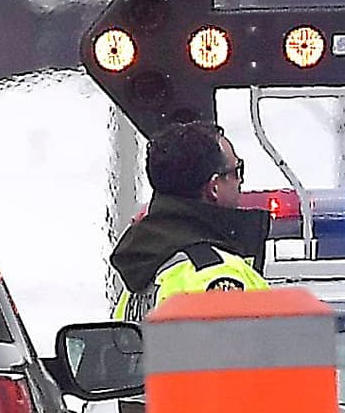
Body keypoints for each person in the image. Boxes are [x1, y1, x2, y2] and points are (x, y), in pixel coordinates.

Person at [105, 123, 272, 312]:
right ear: (214, 186)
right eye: (237, 171)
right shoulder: (217, 275)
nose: (240, 181)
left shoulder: (142, 277)